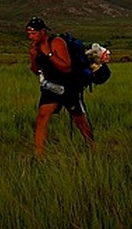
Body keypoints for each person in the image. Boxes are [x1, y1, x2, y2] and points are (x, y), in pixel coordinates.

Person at [26, 16, 94, 155]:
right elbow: (36, 70)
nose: (31, 37)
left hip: (68, 87)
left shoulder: (56, 42)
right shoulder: (35, 48)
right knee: (42, 116)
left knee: (79, 120)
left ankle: (92, 146)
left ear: (43, 32)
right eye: (29, 34)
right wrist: (33, 57)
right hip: (50, 87)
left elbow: (66, 67)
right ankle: (38, 154)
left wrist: (49, 53)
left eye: (34, 33)